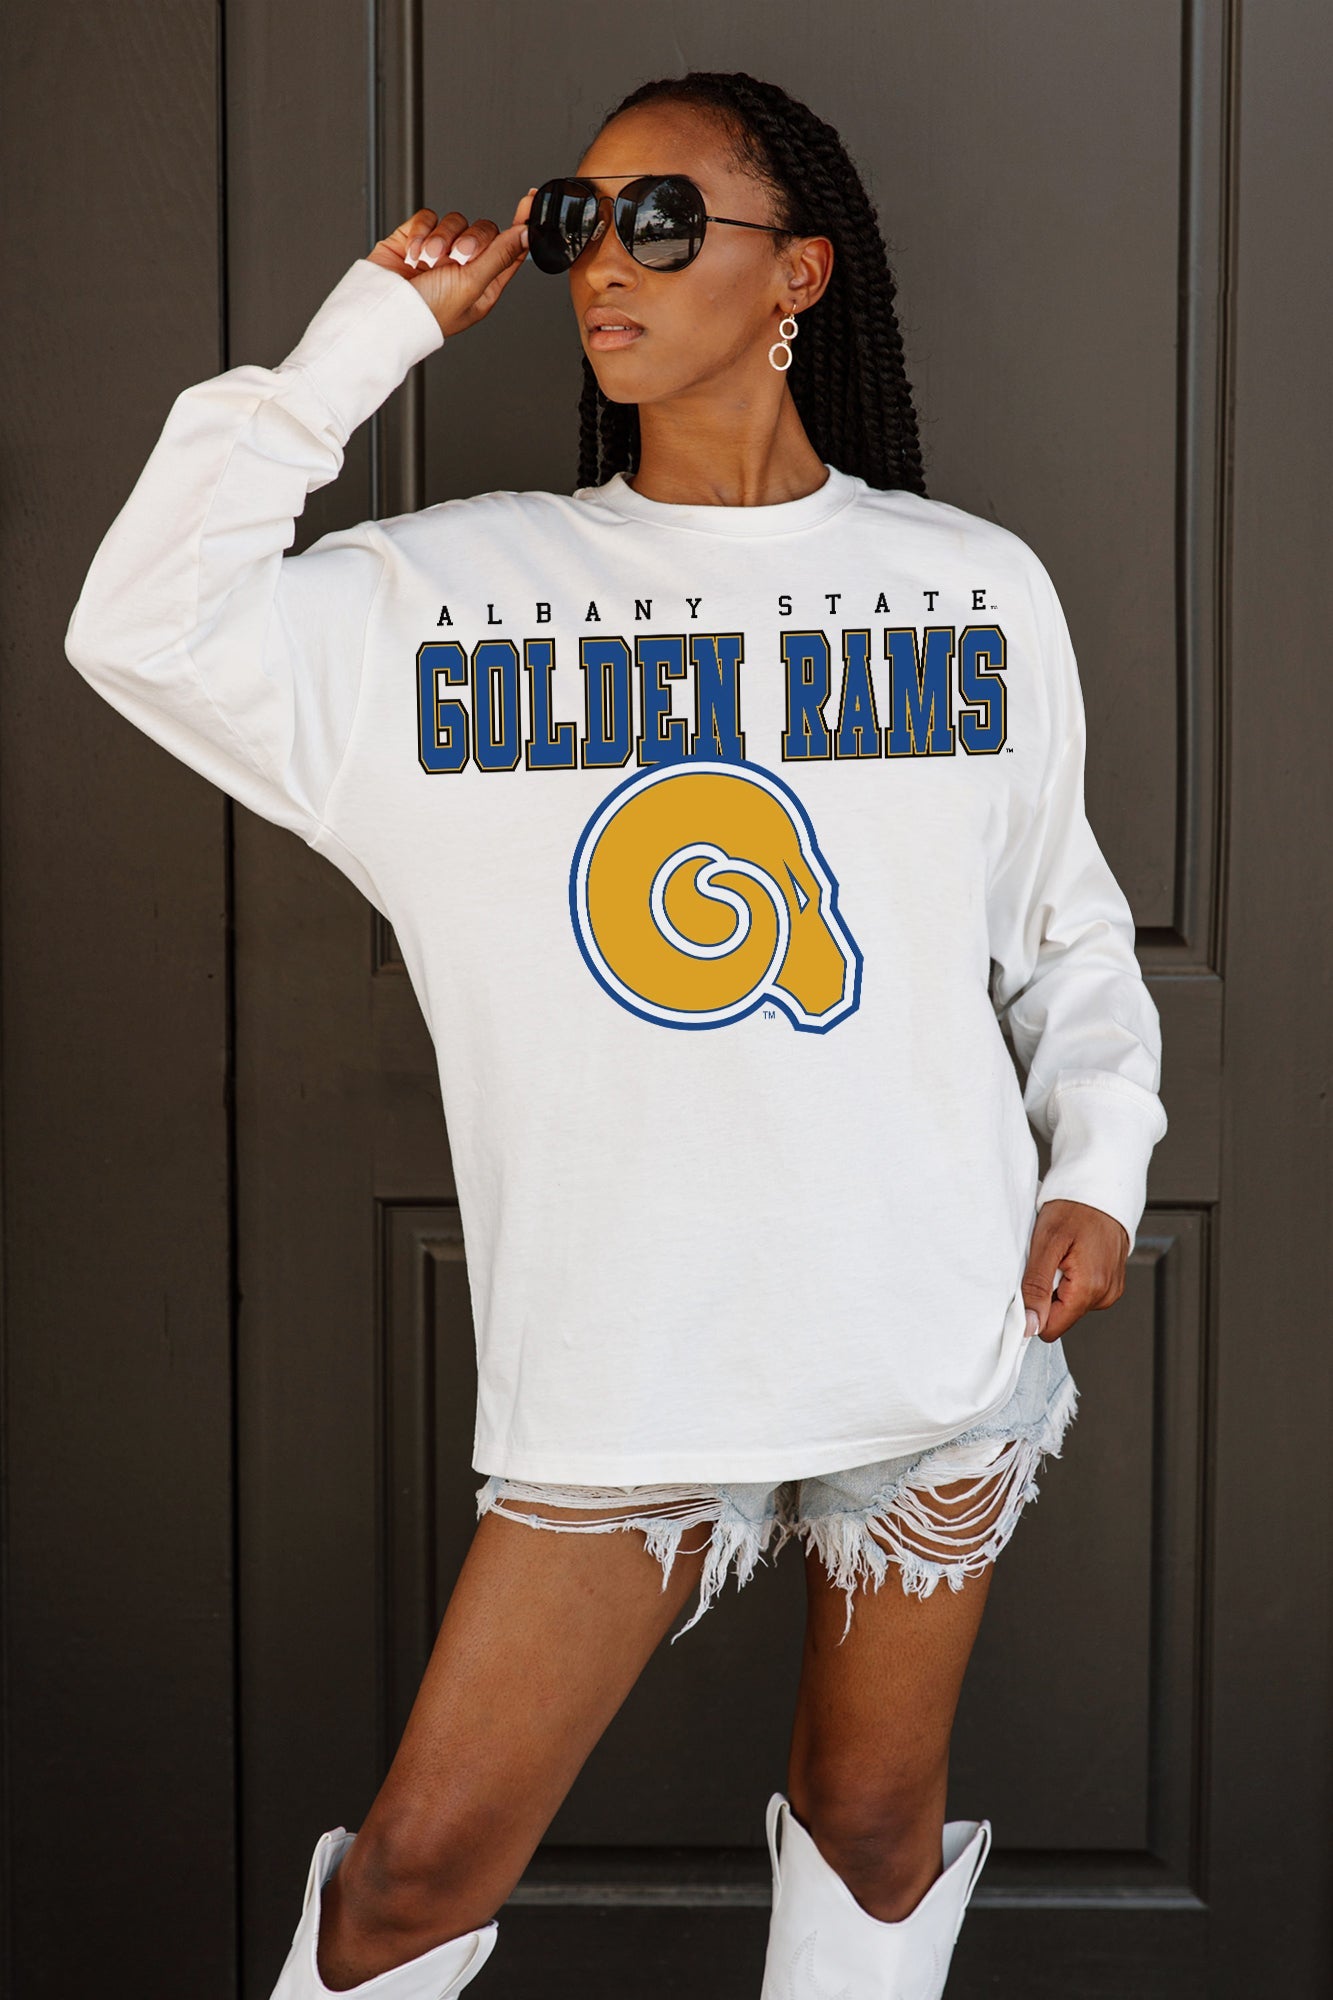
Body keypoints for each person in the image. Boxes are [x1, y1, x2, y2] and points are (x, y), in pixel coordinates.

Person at [65, 67, 1167, 2000]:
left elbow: (1059, 926)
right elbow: (139, 624)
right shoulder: (445, 606)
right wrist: (370, 333)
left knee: (875, 1828)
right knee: (410, 1881)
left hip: (932, 1314)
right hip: (633, 1346)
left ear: (797, 272)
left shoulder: (970, 585)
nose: (600, 264)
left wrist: (1099, 1160)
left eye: (660, 221)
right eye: (575, 222)